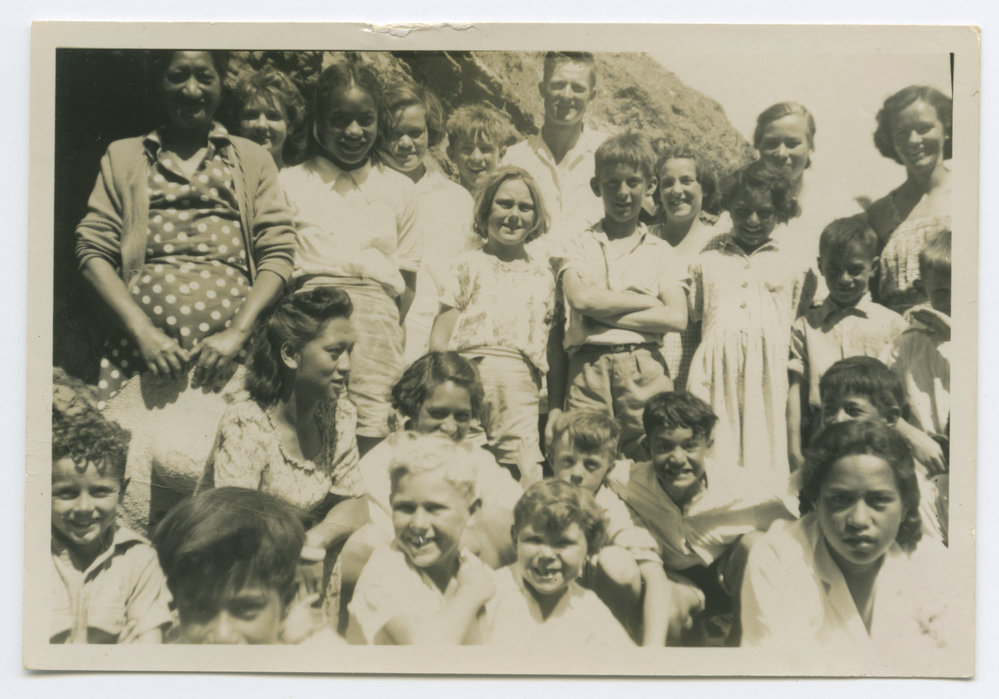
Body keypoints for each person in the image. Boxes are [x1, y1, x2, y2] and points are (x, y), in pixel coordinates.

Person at [75, 50, 298, 533]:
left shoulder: (251, 158)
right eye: (178, 76)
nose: (192, 89)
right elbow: (92, 250)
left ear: (222, 85)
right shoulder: (125, 155)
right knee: (132, 482)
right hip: (142, 353)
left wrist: (239, 332)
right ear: (159, 84)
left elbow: (278, 252)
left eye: (205, 76)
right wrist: (143, 332)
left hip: (232, 355)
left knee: (224, 486)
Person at [279, 57, 421, 453]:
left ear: (379, 122)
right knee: (311, 424)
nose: (354, 131)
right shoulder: (290, 182)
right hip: (312, 321)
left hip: (377, 326)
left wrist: (377, 321)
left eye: (366, 119)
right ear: (317, 122)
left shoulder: (400, 189)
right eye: (340, 119)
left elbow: (407, 284)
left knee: (375, 428)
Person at [330, 352, 522, 631]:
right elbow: (397, 541)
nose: (450, 426)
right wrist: (470, 540)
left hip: (468, 575)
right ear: (414, 406)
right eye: (438, 413)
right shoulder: (384, 461)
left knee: (498, 519)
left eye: (462, 416)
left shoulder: (475, 456)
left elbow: (517, 518)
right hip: (406, 580)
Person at [199, 286, 368, 594]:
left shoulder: (339, 414)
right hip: (235, 564)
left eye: (350, 351)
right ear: (290, 355)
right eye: (334, 352)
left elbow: (356, 503)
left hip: (296, 552)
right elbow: (236, 528)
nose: (346, 366)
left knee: (373, 555)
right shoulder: (246, 421)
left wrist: (314, 541)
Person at [740, 420, 953, 652]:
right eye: (841, 499)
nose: (859, 520)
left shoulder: (932, 565)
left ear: (905, 506)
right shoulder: (778, 558)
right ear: (816, 502)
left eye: (878, 500)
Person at [607, 391, 794, 645]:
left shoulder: (739, 485)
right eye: (664, 447)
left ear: (708, 444)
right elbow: (595, 470)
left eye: (689, 446)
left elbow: (798, 494)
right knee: (669, 616)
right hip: (677, 580)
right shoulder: (628, 480)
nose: (677, 458)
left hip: (727, 577)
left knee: (755, 545)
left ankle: (742, 641)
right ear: (647, 447)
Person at [686, 160, 815, 491]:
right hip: (715, 372)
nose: (753, 220)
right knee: (717, 454)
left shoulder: (795, 262)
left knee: (765, 453)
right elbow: (693, 317)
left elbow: (803, 318)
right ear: (729, 207)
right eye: (743, 211)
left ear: (780, 212)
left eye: (764, 212)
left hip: (769, 374)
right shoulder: (707, 258)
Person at [559, 130, 687, 458]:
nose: (623, 193)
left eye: (633, 182)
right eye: (612, 183)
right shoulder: (578, 242)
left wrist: (601, 312)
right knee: (584, 458)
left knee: (650, 460)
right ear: (595, 187)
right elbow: (581, 300)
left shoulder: (662, 251)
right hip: (589, 369)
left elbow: (676, 317)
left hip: (644, 369)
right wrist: (648, 302)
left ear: (650, 187)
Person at [430, 167, 556, 484]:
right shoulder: (466, 264)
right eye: (504, 204)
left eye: (524, 207)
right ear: (486, 209)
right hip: (465, 375)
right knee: (460, 461)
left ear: (536, 217)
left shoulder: (543, 273)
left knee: (519, 466)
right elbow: (440, 337)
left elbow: (548, 339)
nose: (514, 215)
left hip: (518, 381)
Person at [50, 371, 172, 644]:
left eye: (100, 491)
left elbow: (146, 659)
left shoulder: (139, 560)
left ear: (123, 491)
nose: (83, 508)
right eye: (66, 493)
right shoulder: (27, 556)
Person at [346, 433, 495, 644]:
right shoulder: (385, 569)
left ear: (471, 512)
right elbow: (423, 653)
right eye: (405, 508)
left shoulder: (468, 566)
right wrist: (470, 594)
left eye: (435, 508)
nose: (418, 524)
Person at [787, 216, 907, 471]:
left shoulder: (891, 324)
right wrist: (795, 451)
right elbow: (796, 393)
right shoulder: (806, 326)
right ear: (820, 266)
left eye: (854, 269)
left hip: (877, 441)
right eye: (833, 270)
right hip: (823, 441)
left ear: (873, 267)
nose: (843, 279)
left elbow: (902, 395)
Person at [547, 409, 674, 646]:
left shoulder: (610, 508)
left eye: (591, 465)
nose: (576, 473)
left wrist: (653, 649)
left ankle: (617, 646)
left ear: (609, 467)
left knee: (616, 562)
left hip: (602, 608)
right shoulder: (542, 496)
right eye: (567, 461)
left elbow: (655, 577)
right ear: (551, 457)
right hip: (553, 602)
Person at [153, 487, 341, 645]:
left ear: (287, 600)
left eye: (246, 609)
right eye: (200, 610)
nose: (222, 636)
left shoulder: (321, 660)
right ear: (175, 600)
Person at [376, 82, 479, 363]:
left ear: (430, 132)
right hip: (378, 333)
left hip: (437, 339)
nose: (405, 143)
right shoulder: (366, 188)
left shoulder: (456, 199)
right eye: (395, 134)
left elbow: (465, 277)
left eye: (415, 133)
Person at [483, 479, 635, 647]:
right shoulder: (490, 593)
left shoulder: (588, 608)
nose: (546, 555)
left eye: (563, 543)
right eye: (534, 540)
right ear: (514, 538)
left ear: (589, 547)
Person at [817, 356, 945, 542]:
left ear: (890, 419)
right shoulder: (816, 478)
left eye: (853, 411)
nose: (837, 419)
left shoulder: (916, 486)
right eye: (829, 409)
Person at [866, 86, 951, 314]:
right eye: (902, 133)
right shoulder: (878, 213)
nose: (914, 140)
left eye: (924, 128)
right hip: (896, 342)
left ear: (947, 128)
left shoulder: (975, 196)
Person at [648, 145, 727, 389]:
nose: (677, 191)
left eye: (687, 181)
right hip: (649, 374)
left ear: (704, 188)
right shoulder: (645, 240)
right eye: (667, 183)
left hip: (700, 377)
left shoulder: (721, 243)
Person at [503, 51, 607, 234]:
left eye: (578, 88)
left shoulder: (608, 153)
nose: (566, 95)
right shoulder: (514, 159)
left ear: (592, 95)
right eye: (558, 85)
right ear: (542, 89)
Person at [884, 229, 951, 444]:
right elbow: (875, 388)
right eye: (942, 292)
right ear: (923, 288)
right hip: (923, 453)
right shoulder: (910, 340)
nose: (954, 299)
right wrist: (909, 433)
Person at [232, 66, 308, 169]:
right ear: (238, 123)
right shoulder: (226, 177)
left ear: (290, 125)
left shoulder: (300, 182)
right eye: (251, 115)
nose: (261, 125)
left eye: (273, 116)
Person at [446, 103, 518, 194]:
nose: (476, 158)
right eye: (467, 149)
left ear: (501, 154)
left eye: (485, 149)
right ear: (451, 154)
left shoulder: (510, 202)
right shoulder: (443, 200)